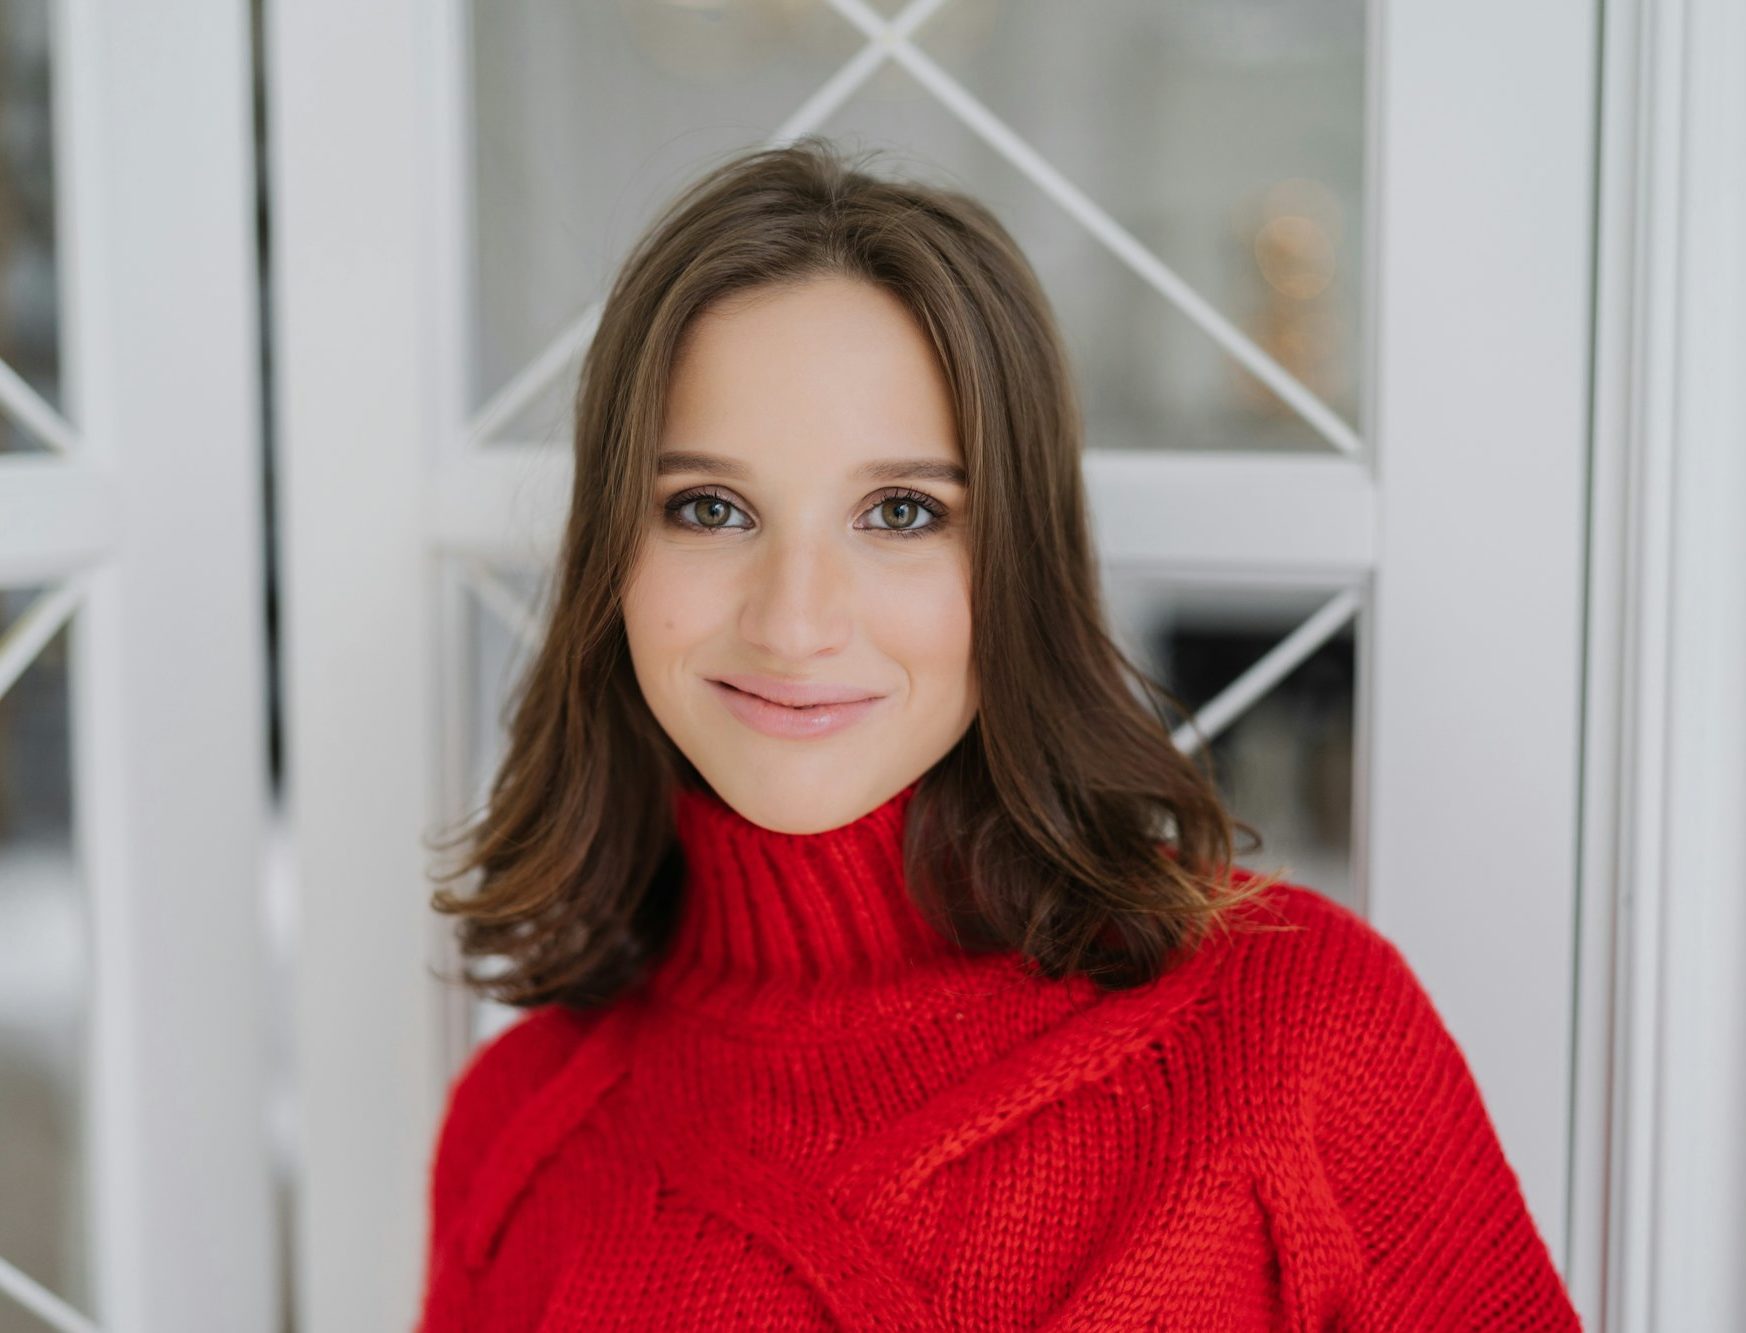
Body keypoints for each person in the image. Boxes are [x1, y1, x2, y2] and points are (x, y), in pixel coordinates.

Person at [417, 137, 1582, 1330]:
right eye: (708, 508)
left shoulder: (1298, 1030)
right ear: (613, 552)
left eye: (903, 511)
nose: (796, 618)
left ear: (1017, 559)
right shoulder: (517, 1129)